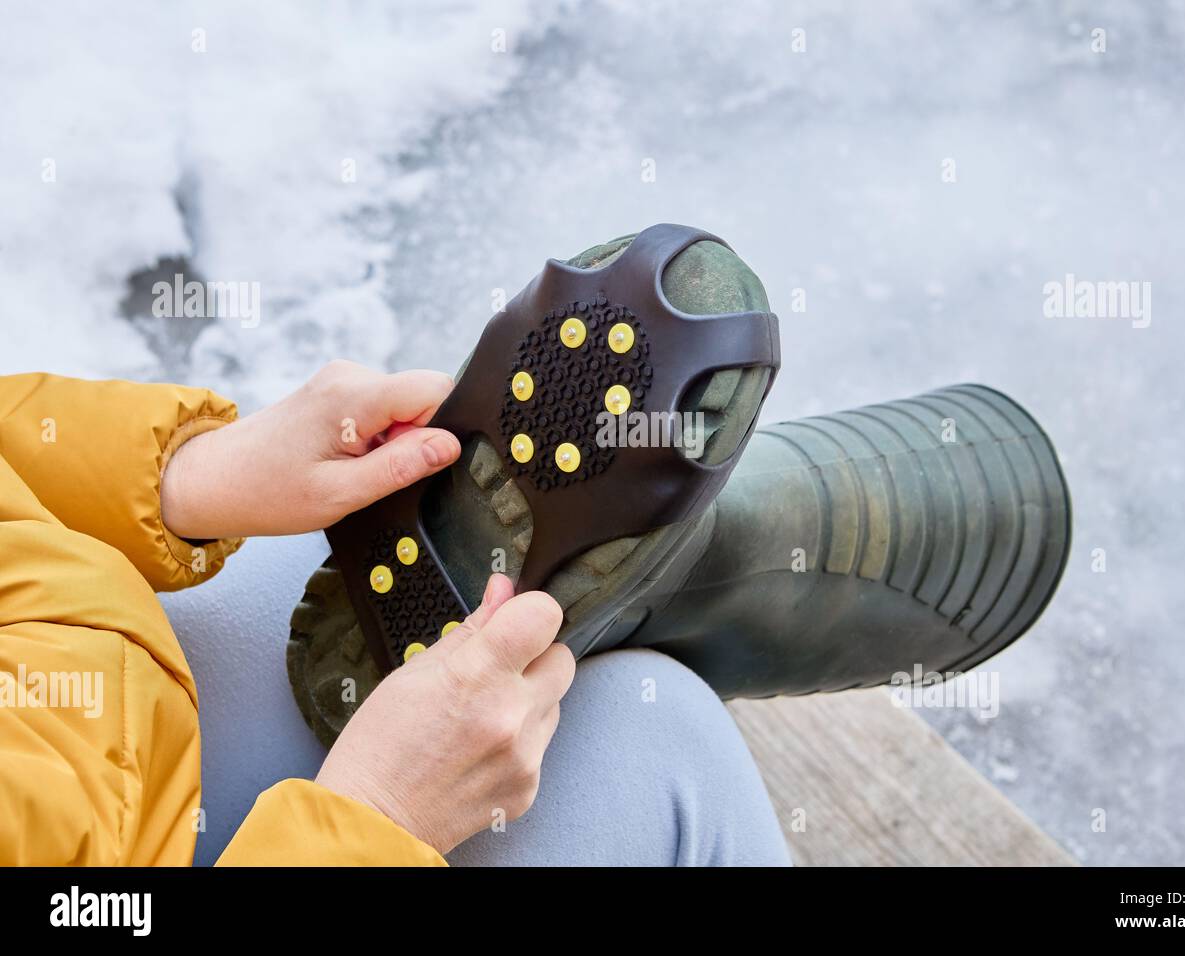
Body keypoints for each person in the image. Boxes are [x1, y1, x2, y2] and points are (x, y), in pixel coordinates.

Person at [0, 363, 790, 866]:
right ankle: (786, 573)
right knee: (652, 733)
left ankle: (756, 567)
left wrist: (178, 480)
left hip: (84, 688)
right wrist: (377, 817)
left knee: (367, 524)